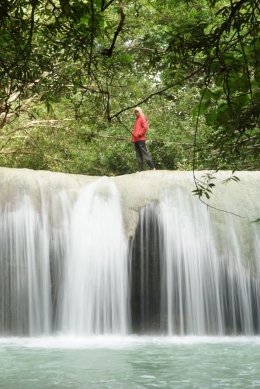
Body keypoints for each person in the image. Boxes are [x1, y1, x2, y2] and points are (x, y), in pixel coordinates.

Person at [132, 107, 156, 172]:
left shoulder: (142, 118)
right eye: (135, 112)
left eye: (137, 112)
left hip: (140, 139)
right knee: (138, 155)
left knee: (144, 153)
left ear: (140, 111)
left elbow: (145, 127)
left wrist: (139, 134)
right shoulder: (137, 119)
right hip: (136, 139)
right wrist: (134, 137)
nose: (136, 113)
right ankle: (140, 169)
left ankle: (152, 167)